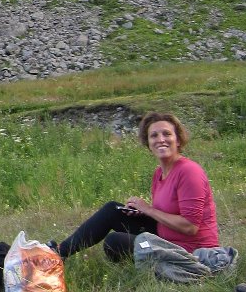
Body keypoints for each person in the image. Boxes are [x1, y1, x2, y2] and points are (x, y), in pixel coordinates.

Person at [50, 111, 219, 262]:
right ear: (148, 143)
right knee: (112, 210)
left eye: (167, 134)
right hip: (167, 236)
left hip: (190, 250)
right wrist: (141, 212)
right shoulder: (159, 174)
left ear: (178, 140)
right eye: (154, 136)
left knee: (114, 242)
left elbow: (190, 227)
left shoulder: (189, 171)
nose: (160, 139)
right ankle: (58, 253)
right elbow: (170, 212)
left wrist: (149, 210)